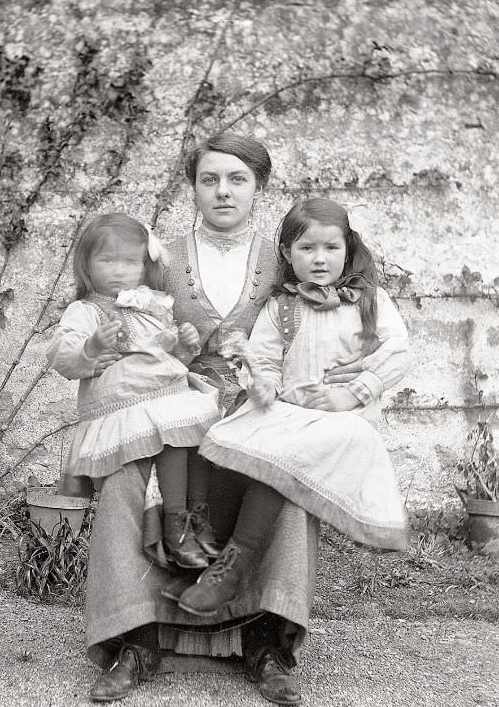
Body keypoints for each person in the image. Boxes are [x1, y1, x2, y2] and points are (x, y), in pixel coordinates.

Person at [84, 136, 376, 707]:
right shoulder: (158, 259)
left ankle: (266, 644)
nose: (222, 191)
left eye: (237, 179)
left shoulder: (286, 257)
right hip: (171, 408)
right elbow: (121, 332)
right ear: (192, 187)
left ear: (258, 188)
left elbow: (328, 334)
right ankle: (137, 640)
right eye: (209, 179)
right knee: (124, 481)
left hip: (258, 407)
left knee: (286, 479)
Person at [176, 197, 412, 616]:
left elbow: (398, 353)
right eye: (307, 249)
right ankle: (212, 535)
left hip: (340, 423)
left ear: (348, 249)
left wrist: (354, 391)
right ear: (287, 253)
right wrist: (263, 383)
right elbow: (263, 357)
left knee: (280, 457)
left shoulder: (369, 301)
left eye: (331, 248)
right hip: (289, 412)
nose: (319, 260)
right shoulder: (281, 304)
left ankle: (234, 564)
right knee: (227, 437)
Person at [47, 212, 222, 569]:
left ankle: (197, 517)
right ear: (86, 265)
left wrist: (184, 345)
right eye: (107, 260)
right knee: (174, 431)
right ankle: (175, 523)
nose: (119, 270)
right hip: (123, 403)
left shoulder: (151, 304)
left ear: (144, 266)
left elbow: (166, 354)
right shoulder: (86, 310)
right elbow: (62, 356)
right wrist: (91, 346)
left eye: (130, 262)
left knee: (203, 430)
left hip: (165, 392)